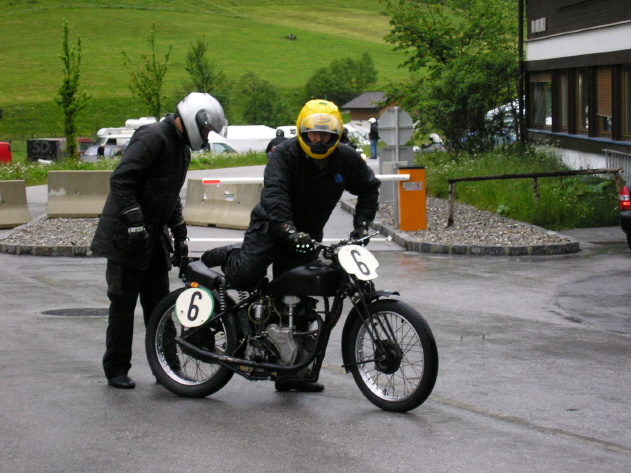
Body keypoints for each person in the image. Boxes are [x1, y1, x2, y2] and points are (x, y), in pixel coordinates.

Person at [200, 99, 381, 392]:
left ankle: (289, 373)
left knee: (302, 299)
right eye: (312, 133)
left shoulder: (345, 158)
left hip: (307, 235)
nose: (319, 139)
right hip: (272, 227)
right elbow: (275, 195)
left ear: (336, 134)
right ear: (301, 131)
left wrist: (361, 225)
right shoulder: (284, 156)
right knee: (246, 274)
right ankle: (228, 255)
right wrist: (286, 228)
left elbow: (369, 187)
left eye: (326, 134)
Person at [90, 92, 226, 390]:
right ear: (194, 119)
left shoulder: (181, 150)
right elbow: (122, 179)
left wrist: (179, 235)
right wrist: (135, 221)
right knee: (123, 306)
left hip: (153, 240)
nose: (206, 137)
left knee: (161, 307)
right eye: (206, 130)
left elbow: (170, 197)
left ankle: (168, 368)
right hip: (125, 238)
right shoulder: (153, 136)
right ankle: (115, 370)